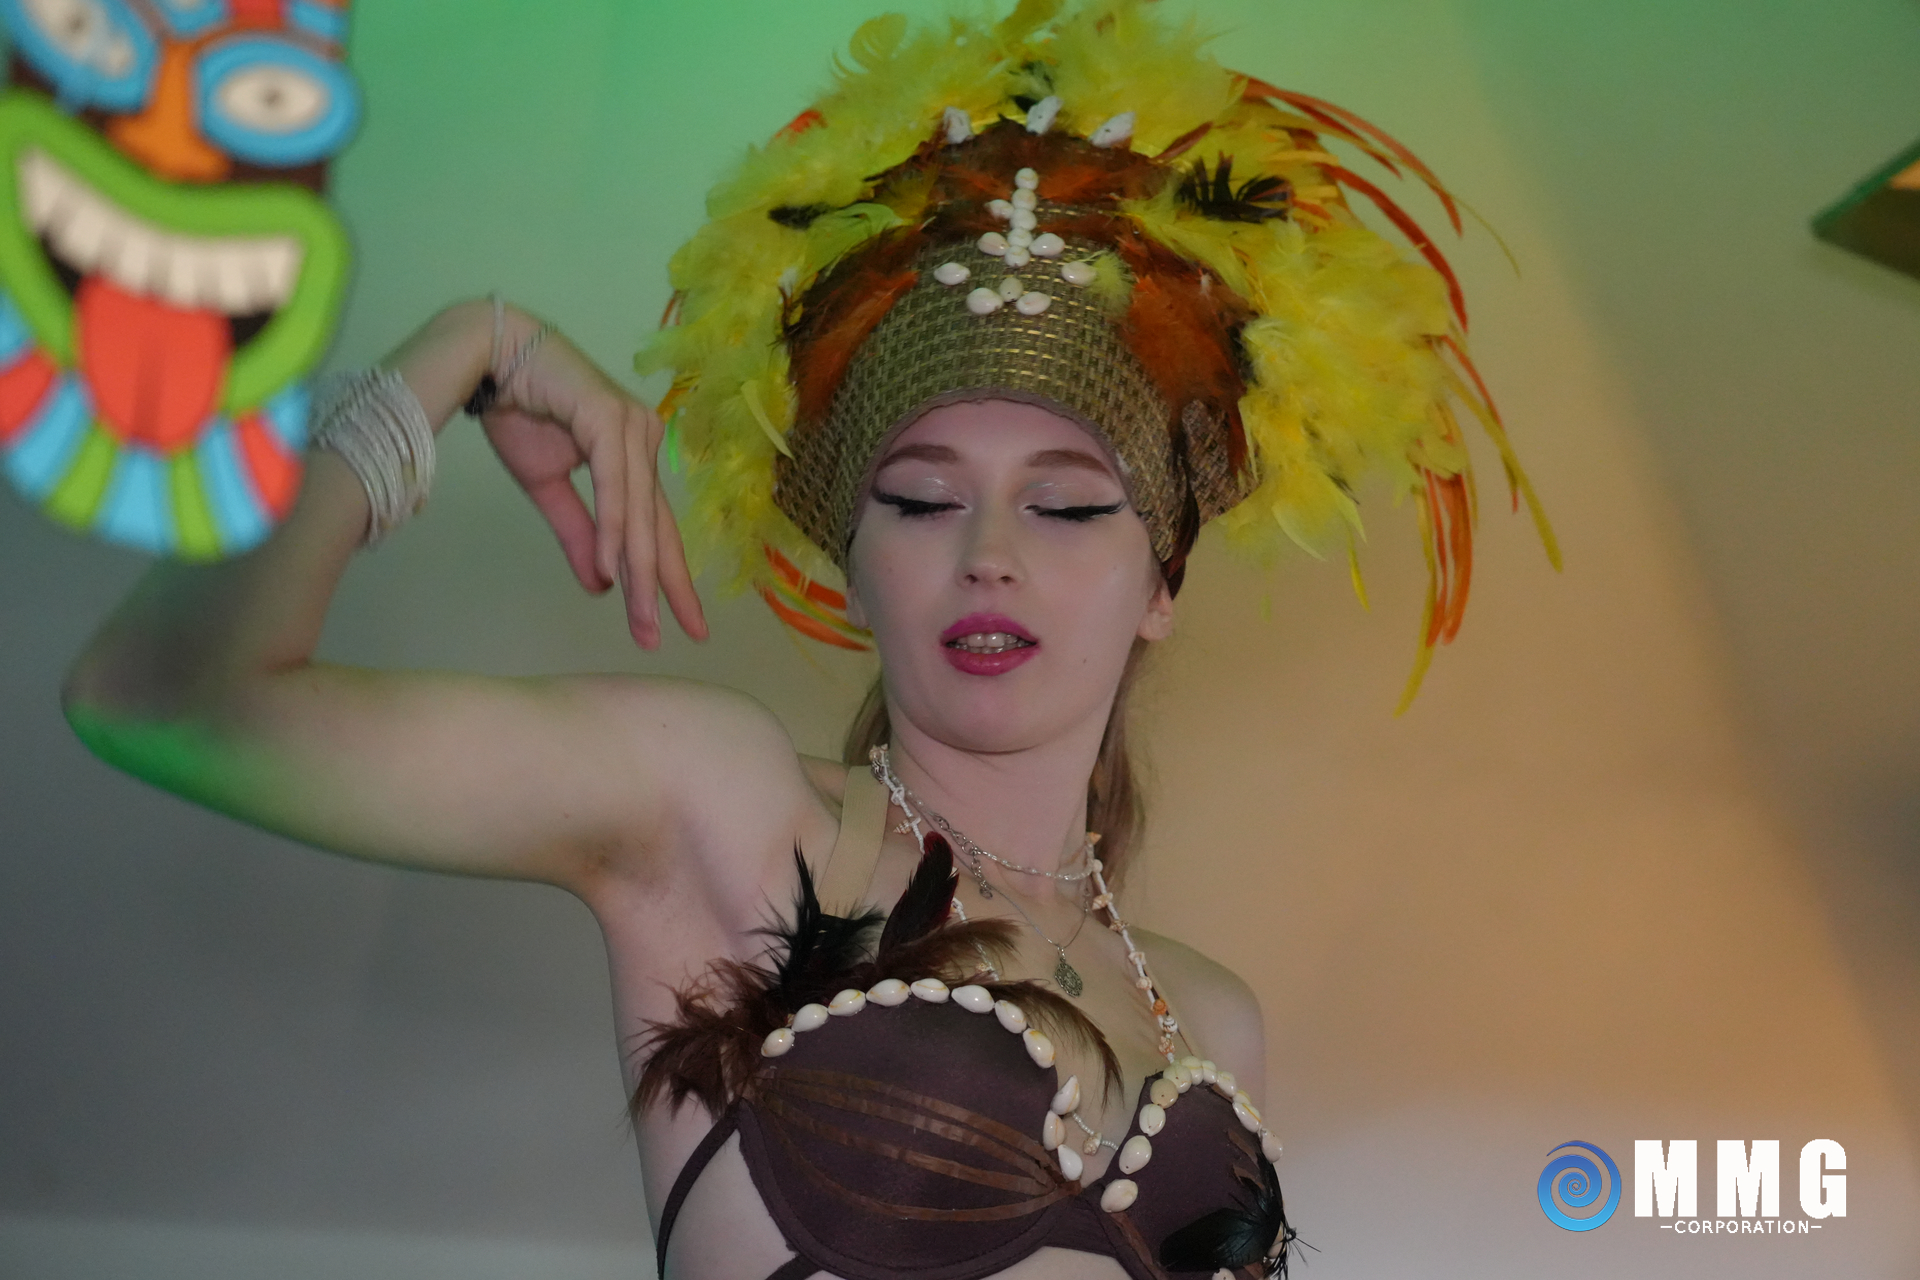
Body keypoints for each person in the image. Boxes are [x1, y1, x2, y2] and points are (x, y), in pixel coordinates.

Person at [59, 3, 1552, 1277]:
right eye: (921, 499)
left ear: (1160, 580)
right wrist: (456, 355)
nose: (989, 553)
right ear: (854, 562)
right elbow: (159, 696)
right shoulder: (724, 813)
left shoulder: (1213, 1014)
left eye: (1068, 506)